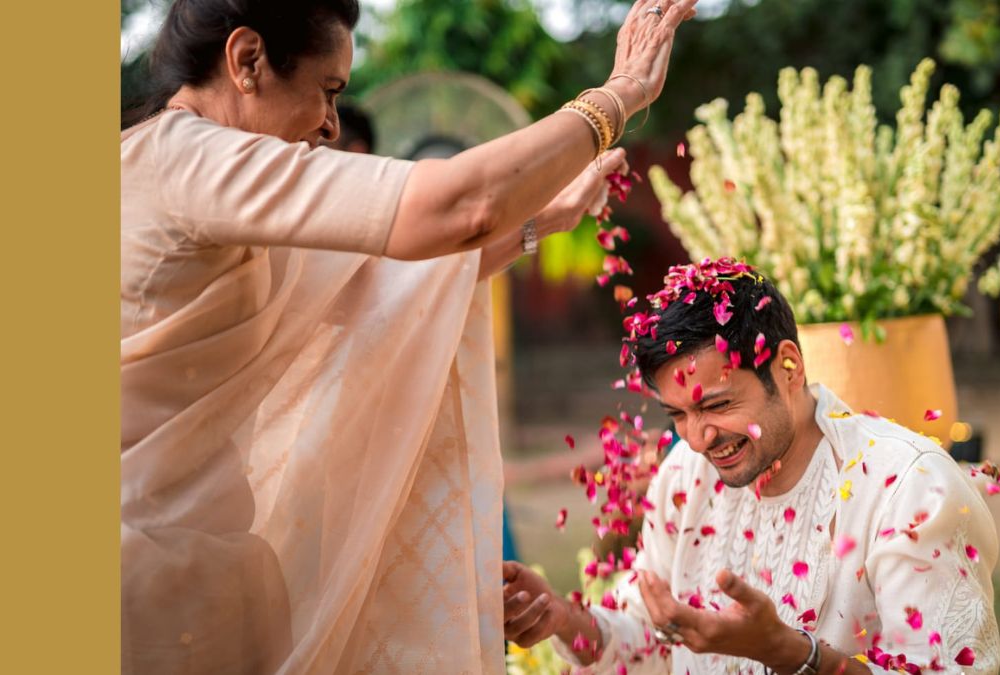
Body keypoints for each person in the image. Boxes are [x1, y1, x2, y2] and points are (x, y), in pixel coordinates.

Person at [120, 0, 699, 672]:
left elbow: (386, 281)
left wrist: (543, 220)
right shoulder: (186, 159)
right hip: (145, 576)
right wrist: (618, 96)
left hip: (198, 564)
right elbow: (459, 204)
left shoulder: (174, 168)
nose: (331, 126)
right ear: (247, 60)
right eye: (328, 92)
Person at [501, 259, 1000, 674]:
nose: (697, 439)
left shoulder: (908, 489)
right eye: (678, 414)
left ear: (788, 367)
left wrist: (789, 652)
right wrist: (562, 619)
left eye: (716, 406)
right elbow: (649, 639)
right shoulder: (684, 476)